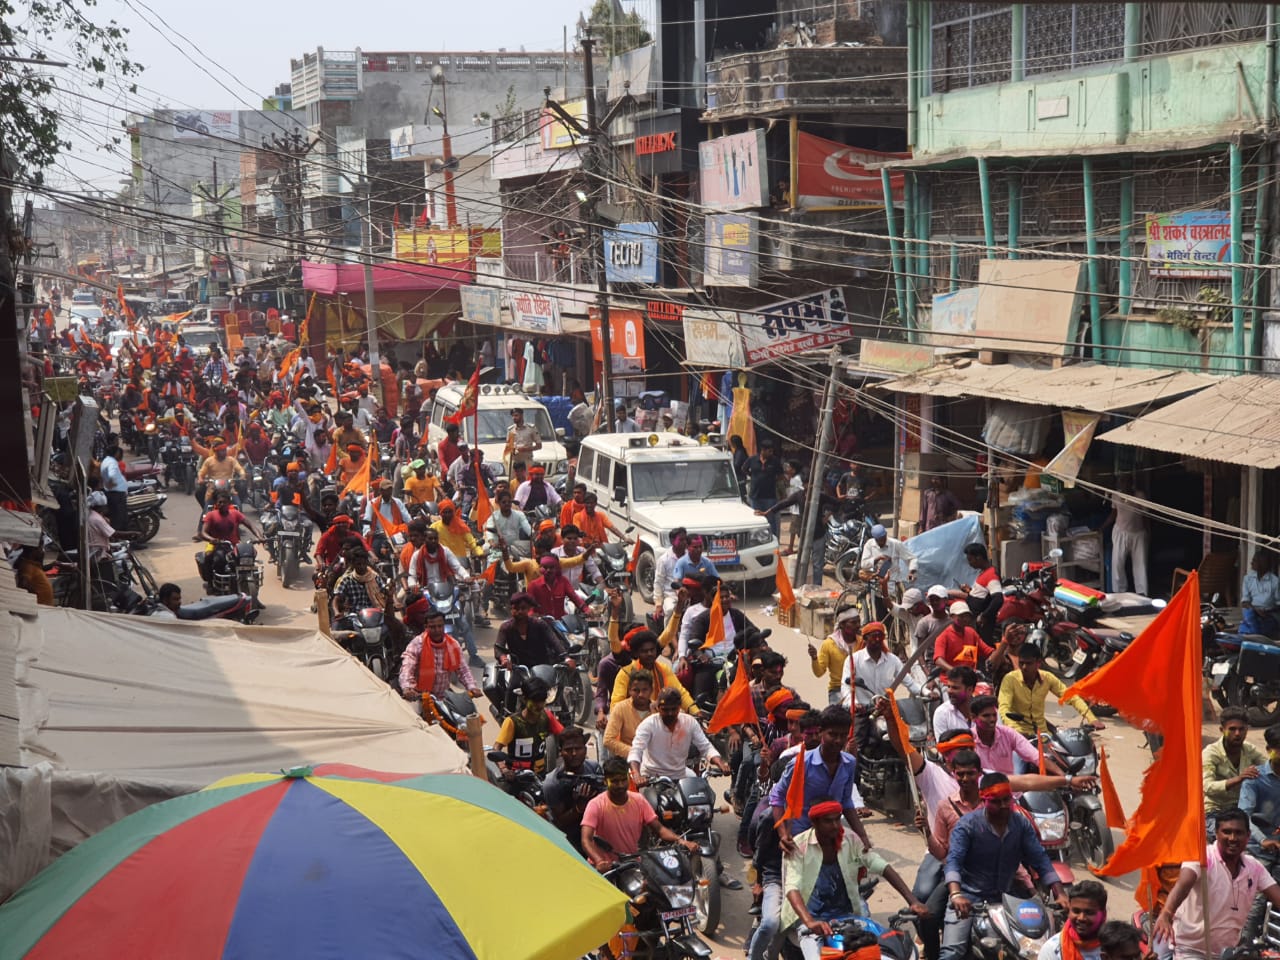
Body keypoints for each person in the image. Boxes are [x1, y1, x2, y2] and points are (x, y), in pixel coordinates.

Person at [941, 773, 1069, 960]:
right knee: (953, 952)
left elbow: (1040, 860)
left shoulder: (1021, 824)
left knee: (1040, 943)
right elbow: (953, 862)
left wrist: (1060, 893)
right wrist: (956, 894)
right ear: (984, 800)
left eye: (1006, 800)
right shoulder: (967, 826)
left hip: (1008, 898)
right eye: (996, 801)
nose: (1003, 806)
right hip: (969, 899)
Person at [782, 799, 927, 960]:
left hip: (850, 914)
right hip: (812, 921)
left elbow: (878, 864)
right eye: (828, 821)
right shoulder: (798, 846)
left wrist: (912, 901)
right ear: (814, 822)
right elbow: (791, 887)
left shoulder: (849, 839)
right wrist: (809, 922)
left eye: (838, 819)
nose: (836, 825)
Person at [1153, 808, 1280, 959]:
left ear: (1248, 836)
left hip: (1228, 953)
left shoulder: (1255, 868)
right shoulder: (1202, 858)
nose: (1232, 838)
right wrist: (1167, 913)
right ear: (1217, 834)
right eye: (1226, 832)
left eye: (1238, 833)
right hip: (1189, 949)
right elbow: (1183, 884)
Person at [770, 705, 872, 853]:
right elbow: (777, 796)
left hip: (833, 836)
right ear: (821, 732)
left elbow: (846, 802)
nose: (838, 740)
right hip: (801, 839)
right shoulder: (801, 764)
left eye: (843, 735)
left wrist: (862, 836)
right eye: (833, 734)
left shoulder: (849, 763)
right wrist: (783, 834)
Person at [581, 756, 699, 870]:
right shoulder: (596, 805)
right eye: (615, 781)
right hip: (606, 869)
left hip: (632, 865)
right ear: (605, 782)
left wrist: (681, 841)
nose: (621, 785)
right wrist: (599, 861)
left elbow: (659, 829)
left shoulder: (639, 800)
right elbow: (586, 839)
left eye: (623, 780)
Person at [998, 639, 1103, 737]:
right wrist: (1013, 729)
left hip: (1042, 734)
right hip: (1017, 734)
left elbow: (1071, 697)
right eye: (1021, 663)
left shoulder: (1048, 678)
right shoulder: (1010, 679)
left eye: (1029, 663)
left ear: (1038, 663)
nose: (1024, 667)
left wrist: (1092, 719)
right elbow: (1004, 708)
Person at [629, 687, 731, 783]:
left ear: (679, 707)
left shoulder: (689, 722)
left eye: (674, 709)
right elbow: (636, 751)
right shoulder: (648, 724)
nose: (670, 713)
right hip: (652, 778)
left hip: (680, 775)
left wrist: (721, 764)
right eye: (665, 710)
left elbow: (706, 747)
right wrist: (637, 775)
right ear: (658, 708)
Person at [841, 622, 921, 738]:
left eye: (881, 636)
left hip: (886, 710)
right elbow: (846, 686)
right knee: (857, 740)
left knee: (906, 737)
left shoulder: (892, 660)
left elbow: (909, 682)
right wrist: (855, 704)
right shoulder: (853, 660)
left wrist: (925, 692)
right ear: (865, 638)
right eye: (874, 636)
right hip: (863, 711)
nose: (878, 639)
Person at [398, 608, 481, 702]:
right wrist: (407, 687)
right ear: (426, 627)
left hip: (444, 697)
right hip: (419, 697)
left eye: (440, 626)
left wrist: (472, 687)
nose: (437, 630)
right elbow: (407, 667)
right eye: (433, 627)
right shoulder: (417, 643)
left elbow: (463, 670)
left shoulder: (453, 644)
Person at [1204, 706, 1265, 831]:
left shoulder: (1249, 749)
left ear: (1247, 730)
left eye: (1241, 729)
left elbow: (1267, 767)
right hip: (1216, 811)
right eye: (1232, 729)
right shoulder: (1211, 753)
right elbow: (1207, 787)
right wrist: (1239, 778)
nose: (1237, 733)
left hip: (1243, 810)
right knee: (1231, 837)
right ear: (1222, 730)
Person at [543, 727, 603, 852]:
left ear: (585, 750)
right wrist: (578, 808)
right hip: (569, 842)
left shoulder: (594, 769)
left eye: (578, 748)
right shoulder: (552, 782)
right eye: (569, 750)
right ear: (561, 752)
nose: (574, 753)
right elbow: (559, 823)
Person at [610, 629, 698, 713]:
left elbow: (680, 693)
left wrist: (694, 710)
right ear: (636, 653)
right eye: (645, 651)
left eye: (652, 650)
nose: (650, 654)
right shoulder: (626, 673)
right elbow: (616, 704)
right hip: (632, 720)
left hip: (659, 718)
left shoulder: (663, 669)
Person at [972, 694, 1062, 776]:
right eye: (986, 716)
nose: (992, 719)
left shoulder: (1008, 733)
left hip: (1011, 790)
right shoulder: (968, 739)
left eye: (994, 715)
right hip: (982, 791)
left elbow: (1036, 756)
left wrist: (1064, 777)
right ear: (973, 717)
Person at [493, 676, 563, 776]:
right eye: (535, 701)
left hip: (540, 776)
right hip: (516, 777)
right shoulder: (512, 722)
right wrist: (504, 769)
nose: (539, 705)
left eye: (542, 701)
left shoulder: (547, 716)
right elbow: (496, 748)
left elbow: (564, 734)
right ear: (524, 699)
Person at [1100, 476, 1148, 596]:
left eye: (1126, 481)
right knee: (1117, 564)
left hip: (1138, 534)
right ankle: (1119, 592)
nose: (1124, 484)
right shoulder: (1116, 495)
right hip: (1120, 533)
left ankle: (1142, 593)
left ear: (1132, 482)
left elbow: (1147, 516)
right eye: (1121, 481)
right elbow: (1114, 513)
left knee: (1140, 564)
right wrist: (1102, 527)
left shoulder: (1140, 496)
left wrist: (1148, 533)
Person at [1037, 881, 1108, 960]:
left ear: (1103, 914)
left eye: (1089, 912)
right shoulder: (1053, 950)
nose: (1081, 918)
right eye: (1076, 911)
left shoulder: (1115, 947)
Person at [494, 592, 565, 670]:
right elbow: (498, 648)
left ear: (528, 609)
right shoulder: (506, 627)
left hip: (543, 669)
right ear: (511, 609)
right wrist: (504, 659)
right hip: (518, 670)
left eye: (523, 608)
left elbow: (555, 642)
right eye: (516, 608)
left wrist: (566, 658)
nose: (520, 611)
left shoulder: (539, 624)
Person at [1240, 722, 1280, 852]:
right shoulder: (1254, 778)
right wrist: (1263, 840)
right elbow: (1244, 815)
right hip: (1257, 847)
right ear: (1269, 750)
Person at [604, 668, 656, 758]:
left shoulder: (658, 710)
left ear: (651, 690)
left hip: (656, 760)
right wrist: (635, 753)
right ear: (629, 690)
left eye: (645, 690)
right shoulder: (620, 708)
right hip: (628, 759)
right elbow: (608, 740)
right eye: (636, 690)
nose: (640, 694)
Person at [809, 607, 856, 705]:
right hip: (837, 689)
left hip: (860, 688)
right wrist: (814, 658)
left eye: (859, 622)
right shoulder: (829, 644)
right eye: (853, 623)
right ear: (842, 624)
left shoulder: (863, 642)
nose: (858, 625)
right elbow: (819, 672)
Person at [934, 602, 998, 671]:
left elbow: (987, 651)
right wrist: (954, 671)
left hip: (970, 677)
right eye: (961, 616)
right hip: (950, 679)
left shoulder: (971, 632)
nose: (965, 619)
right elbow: (938, 660)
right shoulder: (944, 635)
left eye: (967, 616)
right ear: (951, 617)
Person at [527, 555, 589, 621]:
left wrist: (586, 609)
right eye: (545, 567)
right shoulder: (533, 585)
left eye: (551, 567)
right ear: (541, 569)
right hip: (542, 623)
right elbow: (529, 607)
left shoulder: (563, 581)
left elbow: (574, 597)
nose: (548, 570)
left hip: (561, 623)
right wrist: (532, 616)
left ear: (556, 568)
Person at [744, 441, 783, 533]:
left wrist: (771, 480)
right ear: (763, 450)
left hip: (770, 496)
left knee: (770, 520)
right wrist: (754, 477)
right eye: (769, 451)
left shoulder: (775, 461)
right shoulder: (752, 459)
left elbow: (781, 475)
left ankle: (773, 539)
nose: (771, 453)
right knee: (757, 520)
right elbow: (744, 469)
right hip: (755, 496)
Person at [931, 666, 978, 740]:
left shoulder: (986, 710)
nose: (949, 691)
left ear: (969, 690)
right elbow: (944, 748)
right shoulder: (942, 713)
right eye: (948, 686)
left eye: (955, 688)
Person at [652, 526, 687, 620]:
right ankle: (669, 634)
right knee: (670, 610)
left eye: (685, 539)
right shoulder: (664, 560)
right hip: (671, 595)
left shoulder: (690, 558)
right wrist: (658, 604)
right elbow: (658, 582)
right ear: (672, 541)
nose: (684, 542)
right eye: (681, 540)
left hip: (689, 595)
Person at [1242, 549, 1280, 638]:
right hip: (1252, 611)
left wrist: (1268, 610)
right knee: (1249, 614)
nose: (1251, 563)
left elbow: (1278, 603)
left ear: (1263, 563)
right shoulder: (1248, 579)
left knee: (1247, 628)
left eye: (1255, 560)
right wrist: (1256, 610)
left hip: (1268, 614)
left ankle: (1252, 634)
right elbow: (1244, 602)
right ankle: (1257, 635)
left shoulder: (1274, 581)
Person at [98, 443, 130, 532]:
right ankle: (123, 540)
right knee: (120, 519)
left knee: (118, 517)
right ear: (116, 454)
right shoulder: (112, 462)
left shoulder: (106, 460)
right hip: (116, 494)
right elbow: (112, 475)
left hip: (113, 493)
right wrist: (112, 484)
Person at [505, 407, 542, 473]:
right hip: (515, 461)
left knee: (527, 480)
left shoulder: (531, 428)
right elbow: (508, 446)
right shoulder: (511, 430)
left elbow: (539, 446)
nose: (514, 418)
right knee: (514, 481)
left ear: (522, 415)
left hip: (527, 460)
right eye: (513, 416)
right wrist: (512, 449)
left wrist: (525, 449)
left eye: (516, 415)